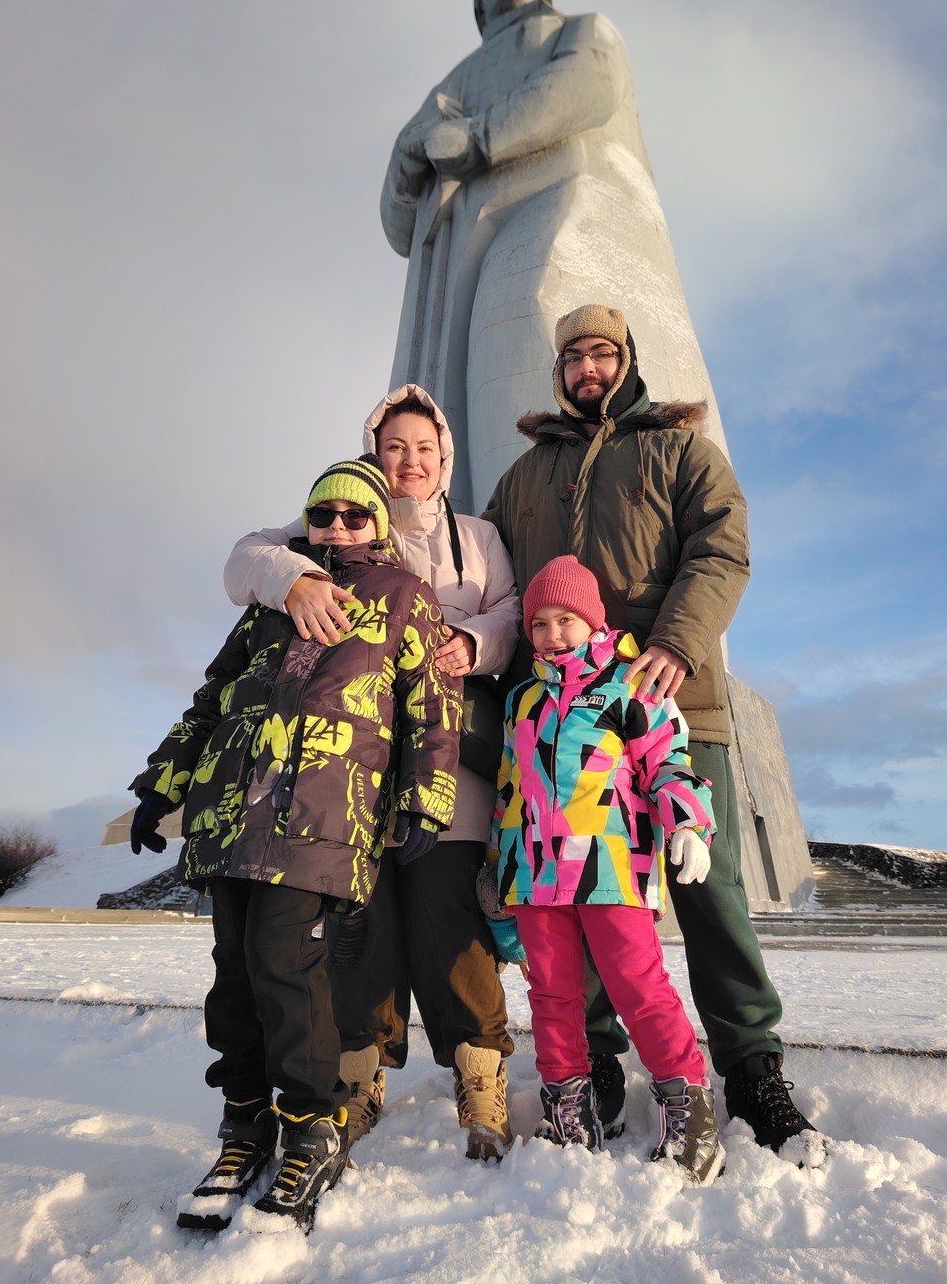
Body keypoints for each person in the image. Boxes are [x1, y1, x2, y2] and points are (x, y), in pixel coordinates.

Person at [482, 303, 825, 1166]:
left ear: (627, 360)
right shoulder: (524, 477)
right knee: (575, 892)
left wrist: (675, 641)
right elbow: (494, 584)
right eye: (573, 357)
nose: (587, 368)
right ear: (559, 371)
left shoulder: (679, 451)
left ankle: (751, 1066)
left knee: (709, 889)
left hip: (666, 700)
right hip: (563, 731)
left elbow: (722, 548)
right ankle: (594, 1061)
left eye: (602, 353)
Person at [129, 455, 460, 1232]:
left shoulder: (404, 596)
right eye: (323, 514)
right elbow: (213, 696)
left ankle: (313, 1127)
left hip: (321, 815)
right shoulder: (272, 601)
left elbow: (433, 704)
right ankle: (244, 1128)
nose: (336, 527)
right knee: (234, 977)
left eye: (354, 515)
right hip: (232, 815)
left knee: (286, 966)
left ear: (378, 525)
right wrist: (163, 781)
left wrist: (426, 798)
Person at [223, 385, 521, 1161]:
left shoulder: (478, 538)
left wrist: (472, 642)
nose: (409, 461)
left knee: (450, 921)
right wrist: (292, 580)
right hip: (347, 778)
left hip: (443, 763)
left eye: (423, 448)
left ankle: (479, 1074)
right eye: (394, 447)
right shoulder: (333, 524)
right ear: (373, 454)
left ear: (444, 457)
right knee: (359, 929)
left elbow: (514, 611)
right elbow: (245, 557)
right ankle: (357, 1076)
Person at [382, 0, 730, 515]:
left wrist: (480, 137)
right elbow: (400, 226)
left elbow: (590, 79)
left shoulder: (577, 30)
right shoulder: (448, 89)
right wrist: (408, 154)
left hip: (565, 196)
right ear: (481, 9)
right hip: (461, 253)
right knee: (452, 407)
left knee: (530, 306)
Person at [487, 555, 726, 1183]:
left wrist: (688, 825)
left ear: (593, 622)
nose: (552, 634)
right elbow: (510, 791)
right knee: (551, 996)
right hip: (537, 880)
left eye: (565, 620)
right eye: (539, 624)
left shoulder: (631, 687)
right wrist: (498, 866)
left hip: (611, 871)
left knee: (638, 988)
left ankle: (689, 1109)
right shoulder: (522, 702)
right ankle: (569, 1112)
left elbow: (668, 762)